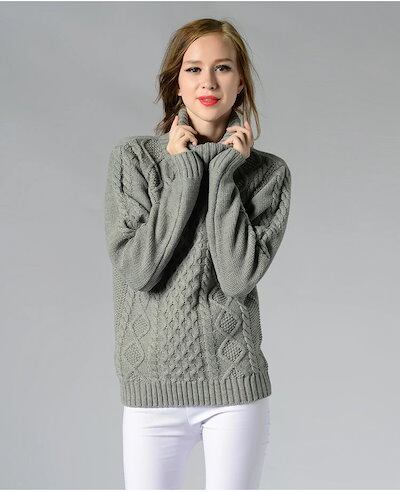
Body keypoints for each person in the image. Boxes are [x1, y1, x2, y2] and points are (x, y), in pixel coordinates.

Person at [104, 17, 291, 490]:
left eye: (222, 68)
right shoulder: (134, 159)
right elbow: (139, 270)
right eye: (193, 69)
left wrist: (223, 175)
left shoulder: (268, 174)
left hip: (235, 389)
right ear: (176, 82)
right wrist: (185, 175)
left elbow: (237, 276)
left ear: (240, 82)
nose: (208, 82)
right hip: (151, 390)